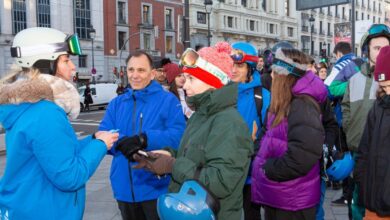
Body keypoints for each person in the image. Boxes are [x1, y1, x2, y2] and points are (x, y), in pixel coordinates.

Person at [0, 27, 119, 219]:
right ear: (46, 63)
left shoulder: (31, 106)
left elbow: (55, 154)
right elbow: (69, 176)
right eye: (66, 60)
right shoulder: (45, 111)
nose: (73, 67)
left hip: (27, 207)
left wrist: (93, 139)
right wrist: (100, 145)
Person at [133, 42, 254, 220]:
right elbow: (194, 155)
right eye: (185, 78)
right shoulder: (200, 115)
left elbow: (221, 181)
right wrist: (165, 155)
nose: (184, 85)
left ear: (212, 82)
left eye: (191, 79)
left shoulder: (229, 123)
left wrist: (173, 165)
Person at [99, 51, 186, 220]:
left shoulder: (168, 100)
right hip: (123, 188)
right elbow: (104, 133)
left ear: (152, 73)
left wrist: (145, 139)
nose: (135, 75)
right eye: (131, 70)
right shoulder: (116, 103)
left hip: (155, 187)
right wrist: (123, 142)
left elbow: (179, 137)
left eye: (141, 70)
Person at [251, 48, 326, 220]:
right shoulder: (282, 102)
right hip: (278, 195)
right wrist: (258, 153)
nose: (271, 76)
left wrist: (268, 168)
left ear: (284, 76)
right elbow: (266, 134)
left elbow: (302, 156)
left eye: (275, 73)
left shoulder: (302, 105)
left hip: (293, 201)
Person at [341, 24, 390, 220]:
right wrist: (349, 129)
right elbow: (345, 107)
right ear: (367, 50)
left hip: (384, 161)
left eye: (386, 48)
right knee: (357, 204)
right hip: (359, 153)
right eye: (377, 48)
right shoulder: (354, 79)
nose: (381, 53)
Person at [230, 41, 271, 220]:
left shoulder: (262, 96)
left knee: (251, 214)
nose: (233, 69)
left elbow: (272, 132)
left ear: (251, 68)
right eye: (231, 65)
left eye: (239, 65)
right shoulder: (221, 93)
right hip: (226, 169)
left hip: (250, 171)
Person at [354, 45, 390, 220]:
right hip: (372, 203)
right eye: (384, 86)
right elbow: (363, 151)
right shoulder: (377, 107)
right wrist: (362, 184)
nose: (388, 91)